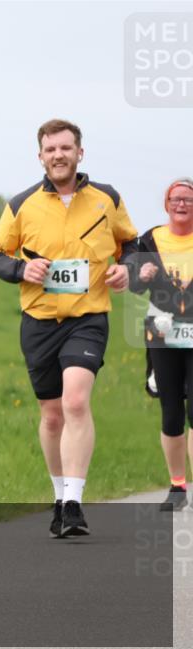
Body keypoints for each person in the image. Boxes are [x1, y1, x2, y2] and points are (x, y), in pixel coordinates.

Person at [0, 118, 138, 538]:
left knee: (74, 402)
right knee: (52, 416)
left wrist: (126, 270)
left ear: (79, 153)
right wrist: (22, 268)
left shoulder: (107, 199)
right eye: (51, 149)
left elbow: (132, 243)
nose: (59, 155)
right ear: (40, 156)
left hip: (88, 318)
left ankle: (74, 503)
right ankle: (58, 495)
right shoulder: (21, 204)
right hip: (38, 322)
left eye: (66, 148)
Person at [131, 178, 193, 511]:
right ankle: (177, 487)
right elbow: (133, 284)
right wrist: (140, 275)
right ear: (166, 204)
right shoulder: (150, 239)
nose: (181, 204)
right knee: (171, 412)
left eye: (188, 199)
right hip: (163, 331)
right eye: (175, 199)